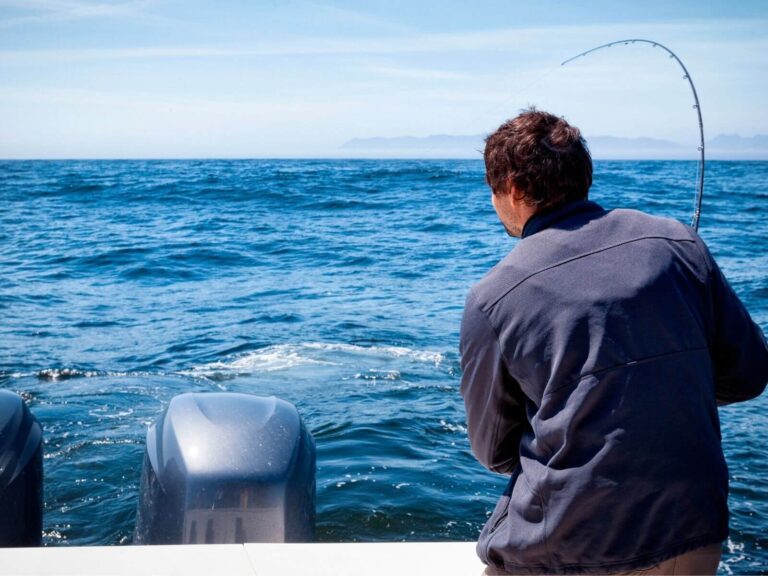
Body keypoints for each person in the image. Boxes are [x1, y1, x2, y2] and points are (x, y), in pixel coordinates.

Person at [459, 108, 768, 575]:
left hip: (567, 549)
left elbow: (494, 452)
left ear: (515, 191)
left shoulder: (492, 297)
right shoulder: (680, 243)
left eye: (493, 191)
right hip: (694, 530)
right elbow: (749, 375)